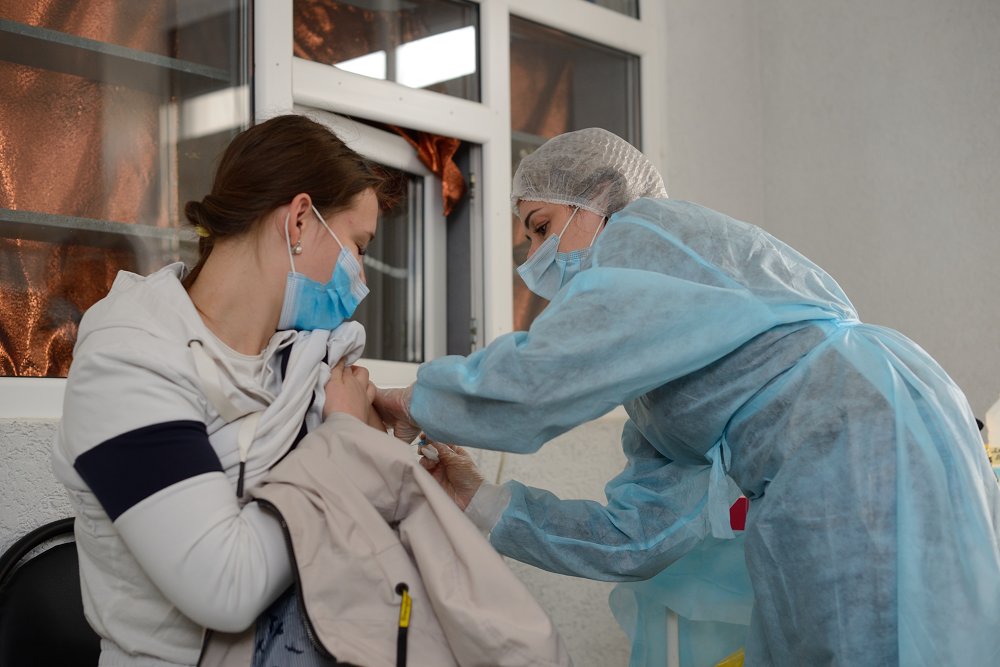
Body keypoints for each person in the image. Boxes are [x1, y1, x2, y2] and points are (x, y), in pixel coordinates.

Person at [375, 127, 1000, 665]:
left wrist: (411, 401)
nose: (535, 260)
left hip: (858, 427)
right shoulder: (664, 384)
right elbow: (639, 536)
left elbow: (540, 379)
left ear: (601, 196)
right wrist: (478, 500)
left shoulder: (644, 237)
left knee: (867, 640)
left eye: (542, 228)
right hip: (863, 426)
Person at [51, 114, 391, 667]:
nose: (362, 277)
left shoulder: (300, 357)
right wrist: (346, 444)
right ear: (299, 221)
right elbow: (227, 586)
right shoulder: (129, 357)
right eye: (359, 245)